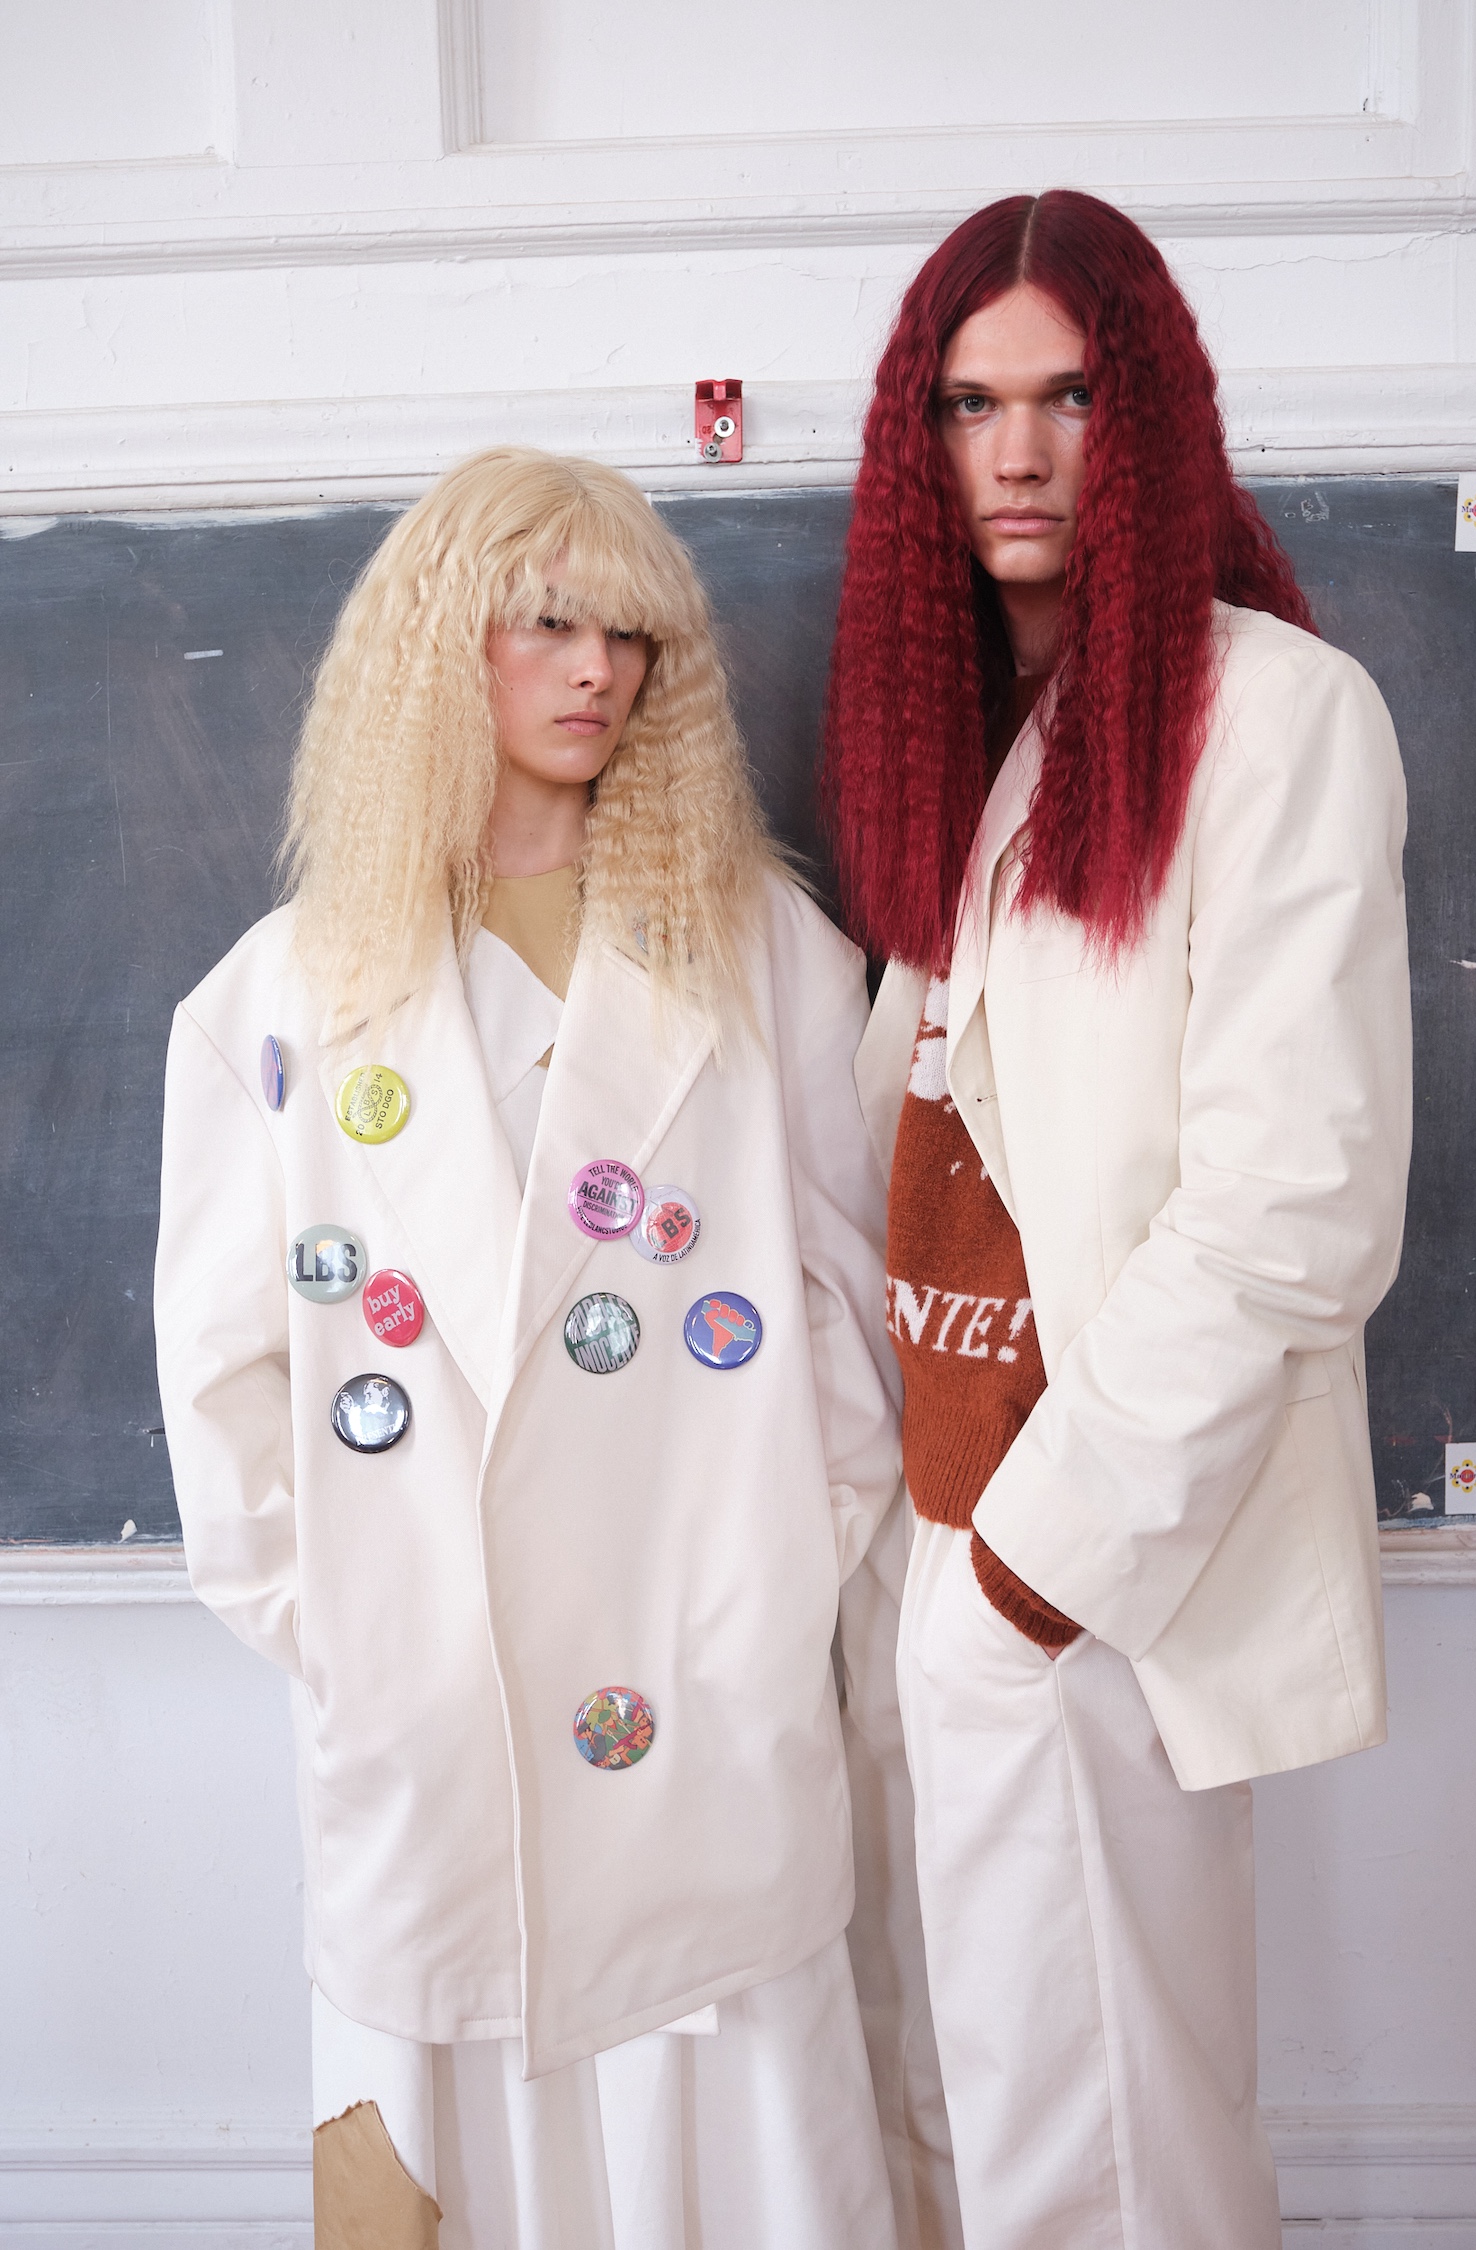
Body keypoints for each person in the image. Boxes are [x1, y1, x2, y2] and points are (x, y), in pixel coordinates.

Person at [155, 447, 905, 2250]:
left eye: (630, 635)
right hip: (438, 1755)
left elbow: (852, 1327)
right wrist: (367, 1635)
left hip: (700, 1732)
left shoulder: (765, 958)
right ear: (440, 646)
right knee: (447, 2172)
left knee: (737, 2172)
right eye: (549, 623)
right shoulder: (279, 999)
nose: (596, 671)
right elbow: (221, 1380)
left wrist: (760, 1600)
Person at [823, 190, 1412, 2248]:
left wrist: (1034, 1571)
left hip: (1089, 1562)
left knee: (1118, 2161)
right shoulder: (979, 741)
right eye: (969, 404)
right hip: (956, 1533)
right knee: (1010, 2121)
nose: (1018, 452)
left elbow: (1298, 1203)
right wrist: (946, 1567)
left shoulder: (1278, 717)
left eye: (1070, 396)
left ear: (1144, 416)